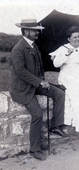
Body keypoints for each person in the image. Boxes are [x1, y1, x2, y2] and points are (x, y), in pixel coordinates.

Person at [10, 19, 67, 161]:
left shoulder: (34, 46)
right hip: (23, 90)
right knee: (37, 114)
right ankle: (34, 149)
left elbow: (39, 68)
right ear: (26, 31)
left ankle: (55, 126)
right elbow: (20, 71)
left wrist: (44, 81)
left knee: (59, 93)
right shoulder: (18, 48)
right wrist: (39, 82)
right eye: (35, 30)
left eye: (37, 29)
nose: (37, 32)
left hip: (35, 86)